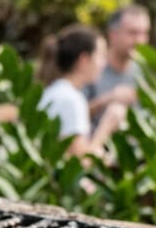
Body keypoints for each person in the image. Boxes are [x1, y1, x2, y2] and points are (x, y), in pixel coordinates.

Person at [38, 24, 125, 157]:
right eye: (101, 56)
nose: (104, 63)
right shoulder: (71, 100)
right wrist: (107, 126)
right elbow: (80, 164)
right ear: (84, 60)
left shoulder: (56, 91)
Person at [84, 5, 150, 122]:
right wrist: (109, 99)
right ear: (113, 34)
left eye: (144, 33)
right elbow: (72, 116)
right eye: (133, 33)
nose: (140, 40)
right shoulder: (90, 68)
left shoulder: (144, 72)